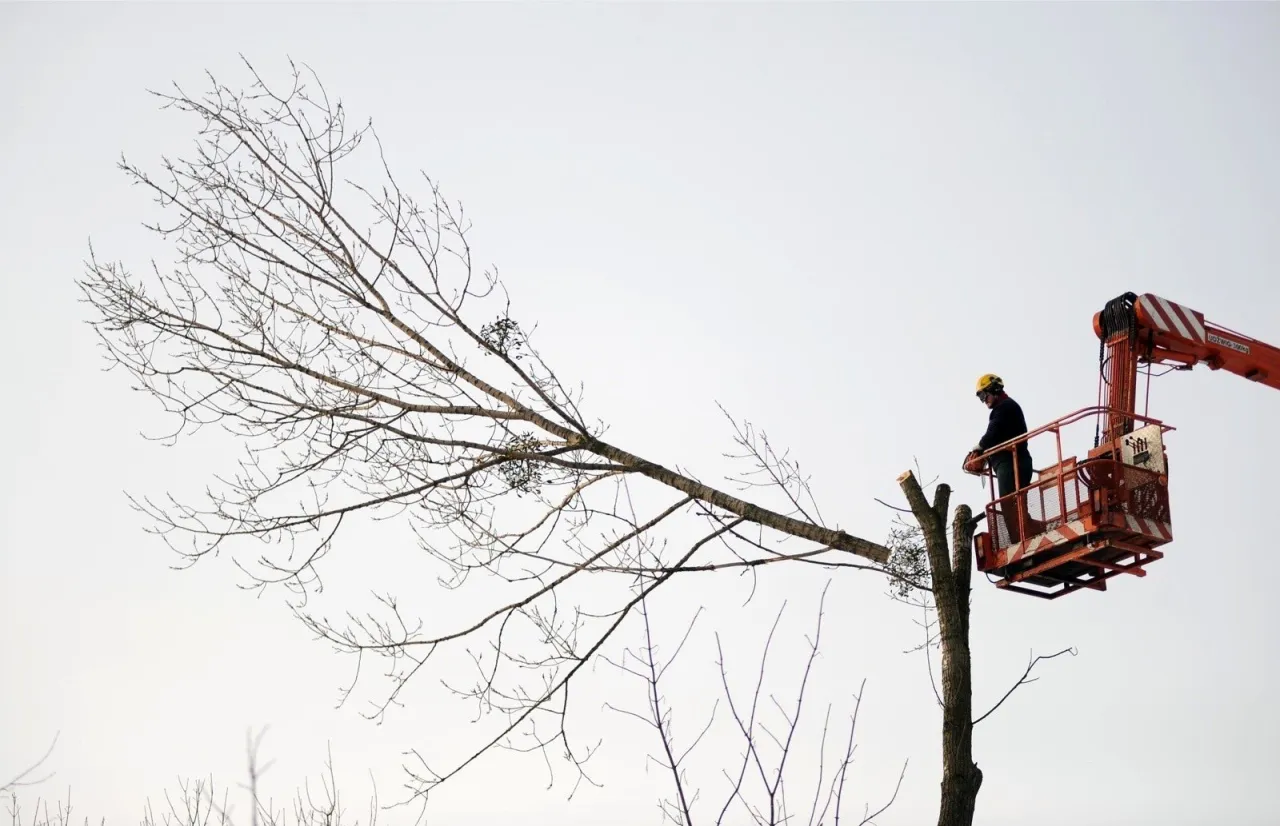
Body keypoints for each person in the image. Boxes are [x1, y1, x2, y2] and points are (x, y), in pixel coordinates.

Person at [967, 374, 1041, 541]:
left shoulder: (1004, 408)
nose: (984, 400)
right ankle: (1030, 533)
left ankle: (1020, 541)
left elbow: (993, 432)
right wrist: (985, 455)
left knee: (1009, 505)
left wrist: (979, 449)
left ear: (994, 389)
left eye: (984, 395)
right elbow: (999, 436)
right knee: (1017, 505)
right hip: (1016, 462)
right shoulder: (1007, 407)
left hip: (1011, 464)